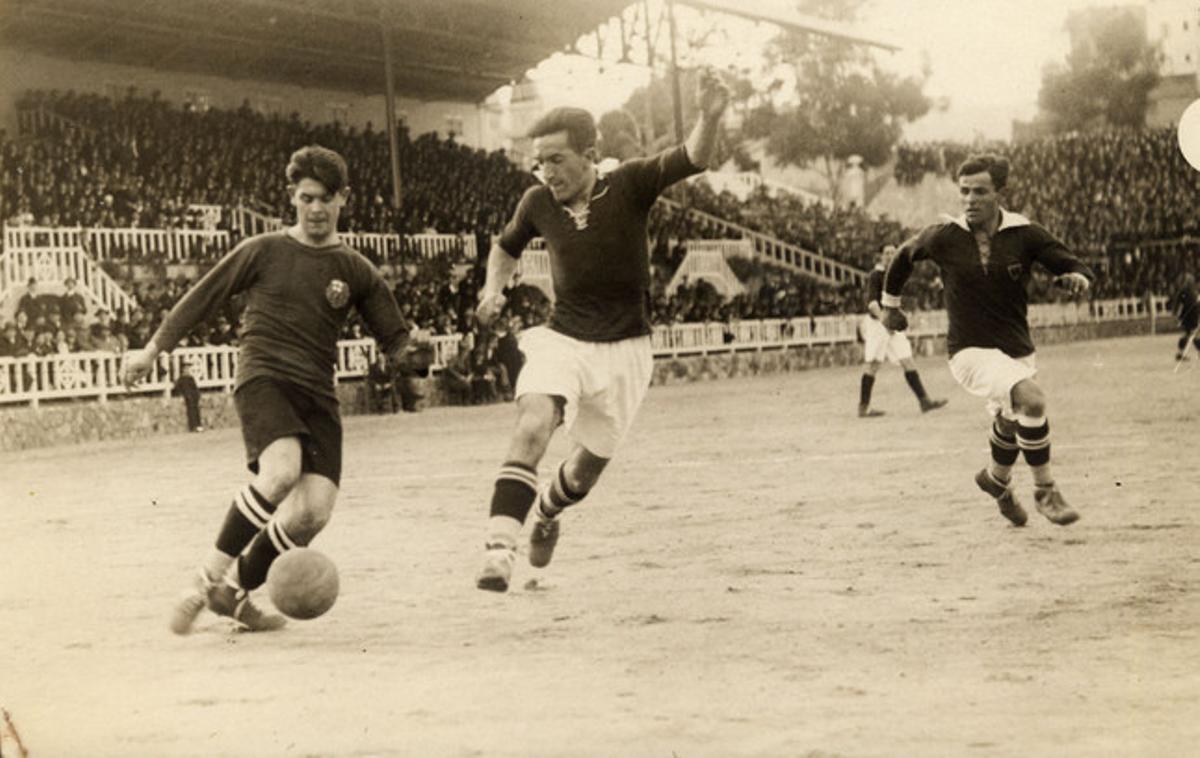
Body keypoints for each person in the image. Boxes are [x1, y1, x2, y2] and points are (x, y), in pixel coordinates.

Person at [123, 145, 422, 633]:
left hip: (317, 393)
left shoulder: (355, 269)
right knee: (281, 472)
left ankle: (234, 591)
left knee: (312, 514)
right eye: (306, 198)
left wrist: (411, 354)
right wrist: (151, 350)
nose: (316, 209)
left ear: (344, 198)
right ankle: (203, 581)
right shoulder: (262, 250)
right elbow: (202, 298)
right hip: (264, 377)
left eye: (326, 198)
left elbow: (395, 338)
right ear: (293, 198)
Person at [472, 70, 731, 591]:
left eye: (557, 159)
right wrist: (492, 289)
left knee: (585, 469)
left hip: (627, 351)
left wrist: (711, 115)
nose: (546, 171)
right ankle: (500, 549)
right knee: (532, 422)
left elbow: (692, 157)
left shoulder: (631, 182)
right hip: (563, 337)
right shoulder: (536, 202)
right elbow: (505, 247)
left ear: (590, 153)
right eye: (539, 161)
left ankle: (547, 511)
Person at [881, 154, 1093, 527]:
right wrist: (890, 307)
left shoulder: (1025, 234)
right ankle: (1046, 491)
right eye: (964, 191)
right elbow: (902, 257)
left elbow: (1071, 263)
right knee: (1032, 399)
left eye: (980, 191)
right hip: (968, 350)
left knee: (1011, 422)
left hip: (1017, 349)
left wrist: (1079, 278)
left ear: (1000, 192)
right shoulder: (944, 236)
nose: (970, 199)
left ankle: (995, 481)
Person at [857, 244, 947, 417]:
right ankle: (863, 407)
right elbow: (872, 304)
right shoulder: (876, 275)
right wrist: (885, 320)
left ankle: (924, 401)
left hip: (892, 324)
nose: (890, 256)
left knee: (907, 360)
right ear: (881, 256)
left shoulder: (895, 275)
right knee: (873, 364)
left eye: (893, 252)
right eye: (887, 253)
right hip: (878, 324)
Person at [1169, 272, 1200, 362]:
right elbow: (1178, 304)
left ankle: (1180, 353)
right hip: (1189, 316)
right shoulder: (1186, 292)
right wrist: (1176, 315)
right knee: (1194, 334)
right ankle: (1181, 353)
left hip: (1190, 316)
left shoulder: (1192, 291)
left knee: (1189, 334)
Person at [173, 362, 204, 432]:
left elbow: (195, 388)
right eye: (185, 369)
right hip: (187, 397)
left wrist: (197, 395)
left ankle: (198, 425)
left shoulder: (191, 378)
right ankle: (193, 426)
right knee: (191, 410)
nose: (187, 370)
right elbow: (177, 389)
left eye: (188, 369)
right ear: (183, 370)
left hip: (193, 396)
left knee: (196, 410)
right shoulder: (181, 379)